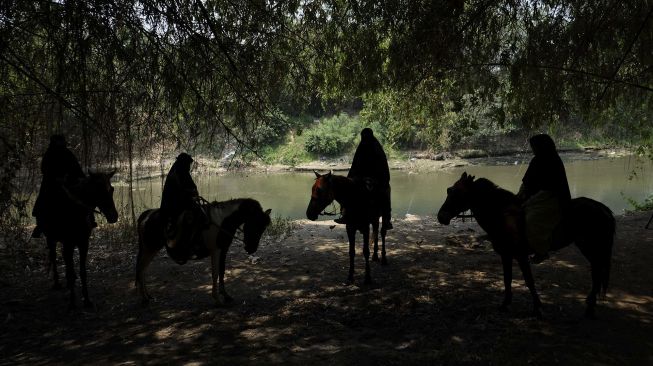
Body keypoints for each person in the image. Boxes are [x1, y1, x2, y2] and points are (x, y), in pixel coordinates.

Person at [517, 134, 571, 263]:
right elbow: (526, 182)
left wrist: (529, 201)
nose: (533, 149)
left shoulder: (553, 160)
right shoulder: (536, 160)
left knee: (532, 219)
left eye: (534, 147)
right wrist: (519, 196)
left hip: (551, 199)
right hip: (537, 197)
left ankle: (541, 251)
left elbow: (551, 188)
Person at [32, 134, 91, 238]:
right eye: (59, 141)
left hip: (69, 184)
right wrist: (56, 178)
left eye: (62, 141)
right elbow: (44, 169)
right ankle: (40, 226)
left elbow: (76, 168)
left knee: (83, 199)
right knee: (44, 201)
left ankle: (89, 219)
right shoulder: (49, 154)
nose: (61, 143)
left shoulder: (68, 153)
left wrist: (82, 178)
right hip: (51, 185)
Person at [336, 128, 393, 230]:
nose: (365, 139)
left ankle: (386, 220)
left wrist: (376, 178)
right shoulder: (361, 147)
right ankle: (345, 214)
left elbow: (382, 166)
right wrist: (350, 178)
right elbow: (355, 165)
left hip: (377, 179)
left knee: (385, 191)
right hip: (361, 178)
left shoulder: (377, 148)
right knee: (348, 190)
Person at [160, 153, 202, 261]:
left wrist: (194, 193)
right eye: (188, 164)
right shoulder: (176, 174)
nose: (189, 167)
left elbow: (191, 186)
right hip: (174, 205)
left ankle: (196, 242)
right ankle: (186, 245)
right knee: (188, 219)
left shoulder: (183, 172)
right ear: (183, 163)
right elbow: (179, 192)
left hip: (184, 202)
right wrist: (191, 193)